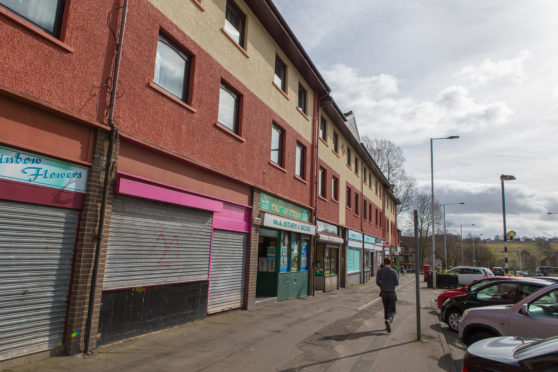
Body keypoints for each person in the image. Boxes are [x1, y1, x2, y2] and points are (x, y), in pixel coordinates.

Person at [376, 257, 399, 333]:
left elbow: (377, 282)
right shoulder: (394, 271)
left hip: (383, 292)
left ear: (384, 263)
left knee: (386, 308)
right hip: (391, 292)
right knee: (393, 310)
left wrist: (382, 286)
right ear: (390, 263)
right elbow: (397, 283)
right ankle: (389, 319)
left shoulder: (380, 271)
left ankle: (386, 321)